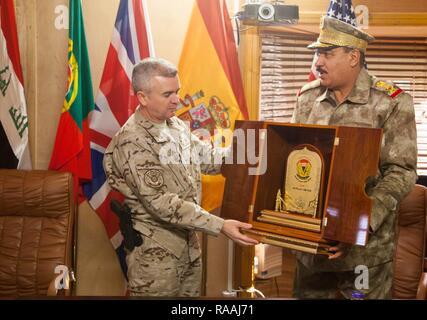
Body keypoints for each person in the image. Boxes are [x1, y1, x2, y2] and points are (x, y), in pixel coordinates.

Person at [103, 57, 258, 297]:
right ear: (143, 97)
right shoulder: (133, 140)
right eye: (167, 94)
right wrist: (220, 225)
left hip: (188, 246)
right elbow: (162, 204)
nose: (177, 99)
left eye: (177, 91)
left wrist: (248, 152)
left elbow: (206, 157)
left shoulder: (174, 125)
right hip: (156, 258)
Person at [291, 16, 417, 299]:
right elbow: (294, 162)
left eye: (327, 53)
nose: (317, 62)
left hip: (365, 254)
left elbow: (401, 171)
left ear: (353, 57)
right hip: (313, 250)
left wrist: (359, 225)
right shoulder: (307, 99)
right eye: (316, 53)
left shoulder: (391, 102)